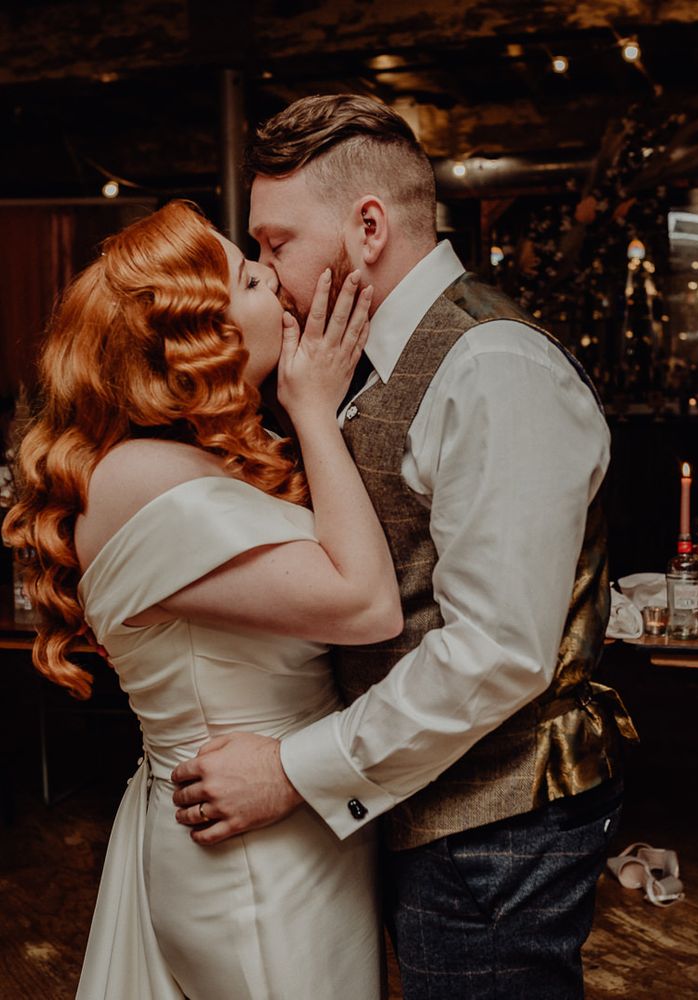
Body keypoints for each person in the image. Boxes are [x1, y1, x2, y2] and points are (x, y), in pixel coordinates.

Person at [171, 94, 638, 999]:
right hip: (429, 807)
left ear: (369, 226)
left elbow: (497, 649)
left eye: (276, 244)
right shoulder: (365, 362)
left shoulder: (492, 366)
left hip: (498, 825)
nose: (267, 271)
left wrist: (290, 771)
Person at [1, 200, 402, 999]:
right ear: (197, 332)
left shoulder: (178, 461)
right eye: (251, 278)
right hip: (248, 861)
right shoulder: (138, 477)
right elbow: (366, 605)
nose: (278, 285)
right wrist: (314, 407)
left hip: (283, 827)